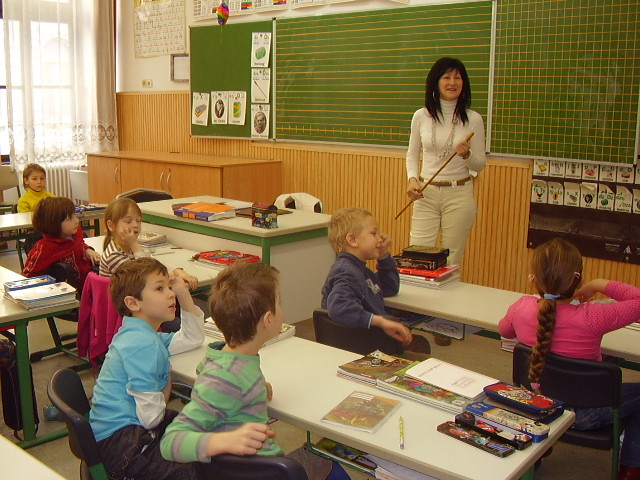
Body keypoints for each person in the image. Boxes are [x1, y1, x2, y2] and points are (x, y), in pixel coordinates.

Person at [160, 262, 341, 480]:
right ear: (268, 320)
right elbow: (171, 442)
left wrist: (256, 388)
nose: (282, 309)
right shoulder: (224, 378)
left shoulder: (224, 357)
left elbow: (208, 373)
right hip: (263, 472)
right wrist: (223, 441)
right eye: (279, 303)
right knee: (329, 459)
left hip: (254, 467)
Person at [498, 238, 640, 480]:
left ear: (533, 279)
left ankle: (538, 449)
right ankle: (631, 470)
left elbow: (505, 331)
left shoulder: (521, 307)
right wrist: (598, 283)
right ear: (578, 280)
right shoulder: (594, 316)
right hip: (586, 414)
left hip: (537, 406)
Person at [88, 257, 209, 480]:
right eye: (160, 288)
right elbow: (151, 418)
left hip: (120, 433)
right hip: (123, 443)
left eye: (169, 287)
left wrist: (183, 293)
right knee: (194, 468)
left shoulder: (141, 334)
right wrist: (166, 390)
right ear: (133, 303)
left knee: (193, 431)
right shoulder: (143, 344)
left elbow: (192, 338)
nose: (170, 294)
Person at [405, 57, 486, 267]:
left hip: (459, 194)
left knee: (451, 261)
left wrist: (467, 155)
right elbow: (412, 154)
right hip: (426, 193)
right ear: (436, 81)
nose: (452, 82)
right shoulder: (421, 116)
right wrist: (412, 180)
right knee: (417, 256)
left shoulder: (473, 119)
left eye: (457, 78)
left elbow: (479, 164)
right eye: (447, 77)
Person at [321, 207, 430, 356]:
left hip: (368, 340)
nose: (380, 239)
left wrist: (384, 256)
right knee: (420, 345)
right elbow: (339, 308)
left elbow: (390, 287)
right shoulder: (346, 272)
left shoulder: (360, 270)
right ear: (352, 240)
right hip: (365, 345)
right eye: (373, 233)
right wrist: (382, 321)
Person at [99, 197, 197, 289]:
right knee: (175, 288)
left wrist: (177, 271)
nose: (135, 225)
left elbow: (154, 263)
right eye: (128, 221)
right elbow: (144, 277)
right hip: (124, 300)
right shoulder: (113, 255)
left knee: (177, 285)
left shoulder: (127, 247)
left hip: (135, 296)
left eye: (138, 220)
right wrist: (134, 245)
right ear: (111, 226)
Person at [22, 196, 100, 289]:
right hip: (72, 291)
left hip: (89, 282)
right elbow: (27, 276)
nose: (77, 221)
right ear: (54, 223)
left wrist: (87, 250)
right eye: (70, 218)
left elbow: (80, 244)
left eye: (75, 215)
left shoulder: (75, 233)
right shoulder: (45, 248)